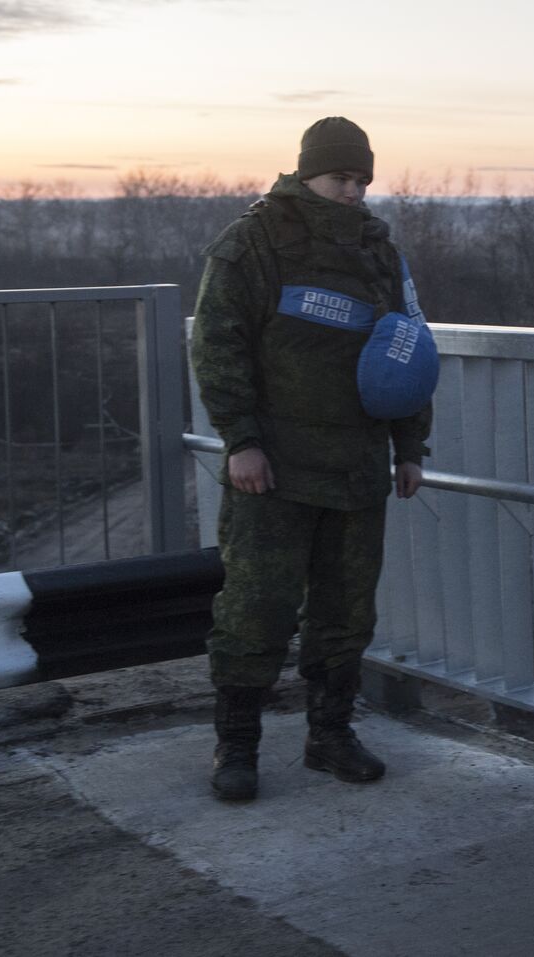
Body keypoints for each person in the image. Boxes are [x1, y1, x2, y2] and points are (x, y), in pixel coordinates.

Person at [191, 117, 431, 801]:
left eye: (361, 179)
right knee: (256, 609)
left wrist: (410, 446)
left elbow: (407, 346)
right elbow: (217, 345)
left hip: (357, 468)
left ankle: (330, 735)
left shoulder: (377, 250)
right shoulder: (254, 241)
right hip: (275, 469)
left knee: (346, 612)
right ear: (306, 173)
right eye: (341, 178)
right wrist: (241, 439)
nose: (353, 191)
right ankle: (236, 745)